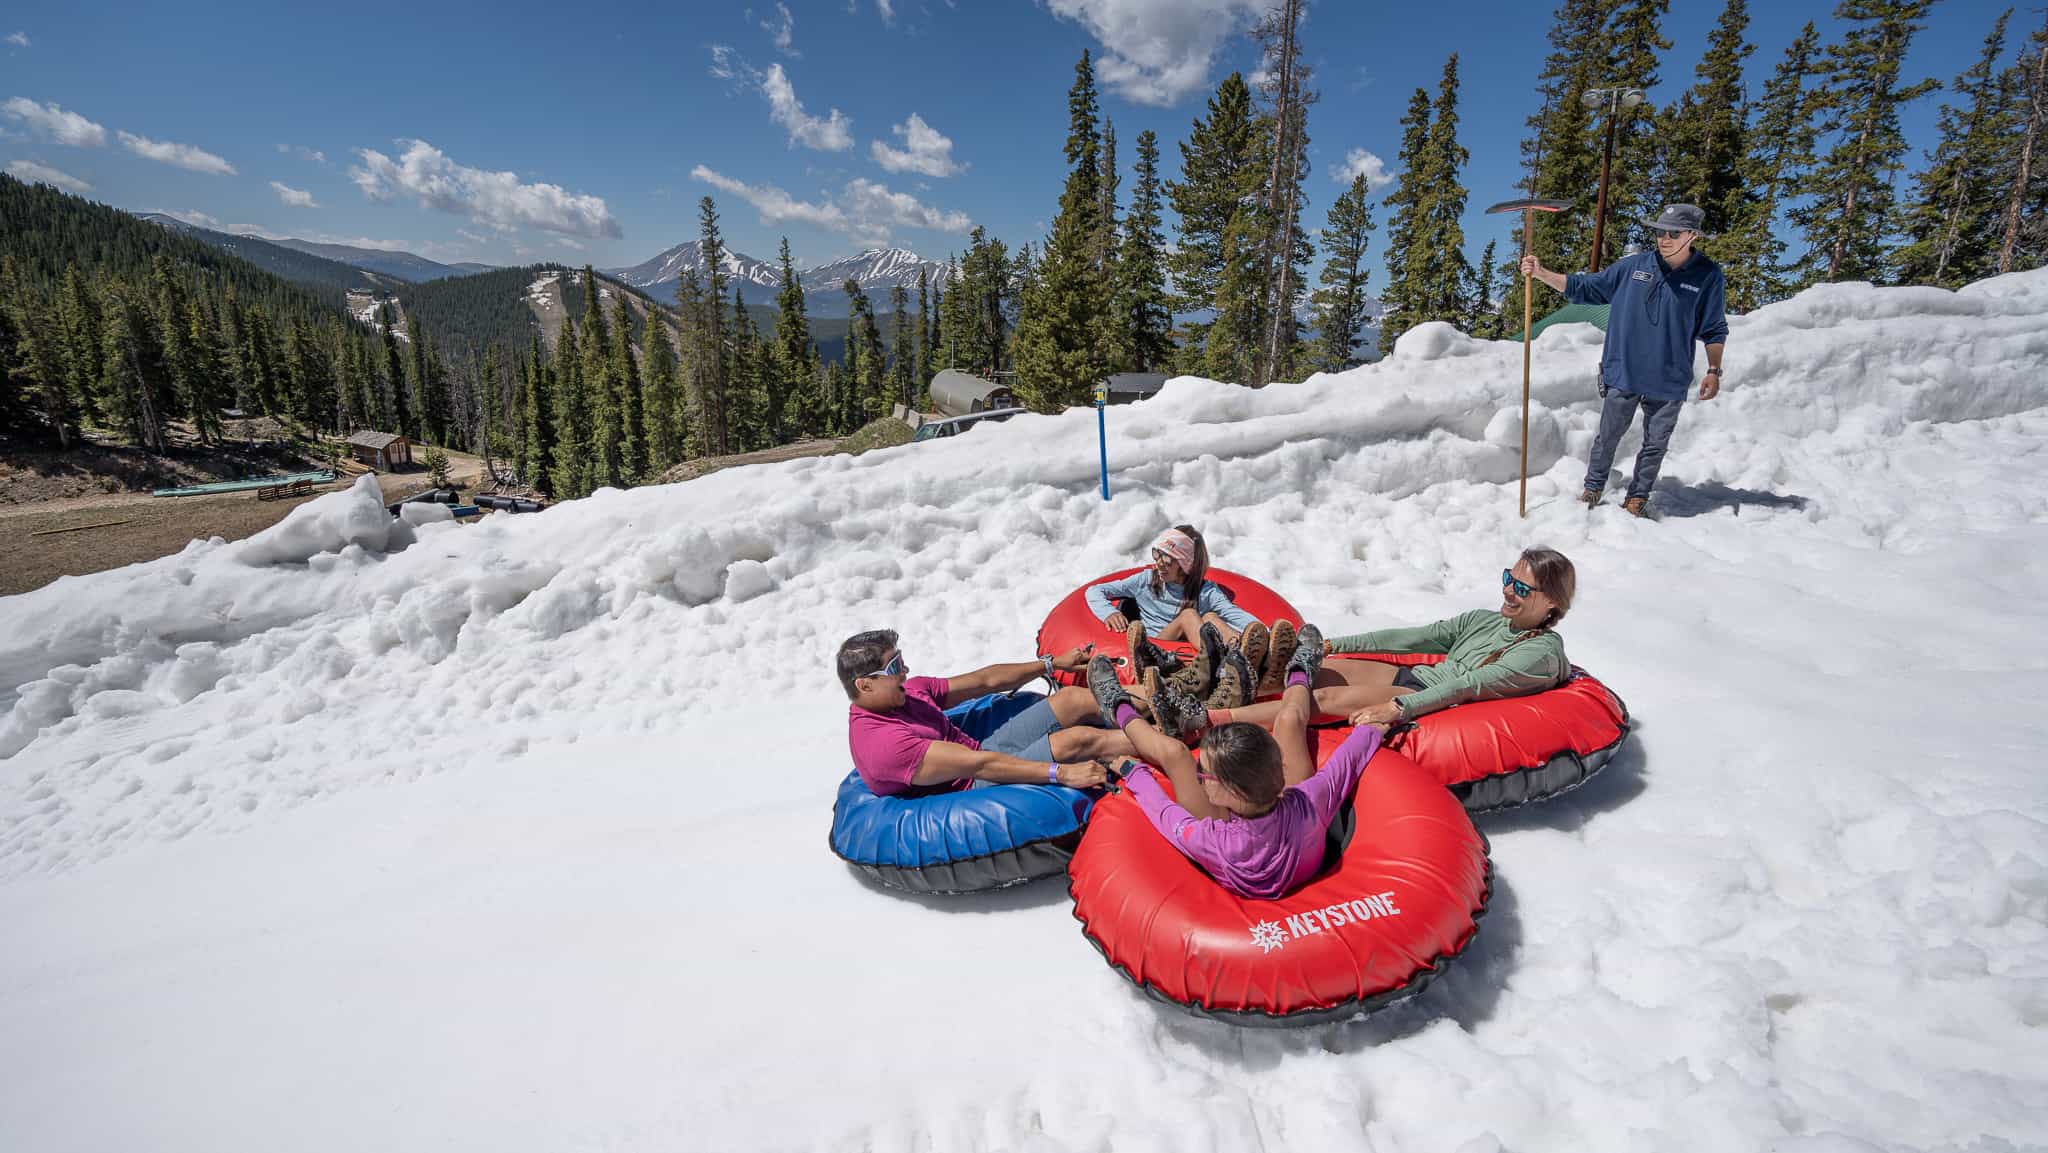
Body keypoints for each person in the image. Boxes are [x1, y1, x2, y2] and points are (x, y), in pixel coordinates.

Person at [1084, 627, 1388, 901]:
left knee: (1175, 753)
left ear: (1230, 791)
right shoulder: (1310, 801)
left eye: (1203, 773)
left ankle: (1118, 707)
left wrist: (1133, 772)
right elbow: (1347, 762)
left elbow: (1165, 813)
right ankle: (1298, 671)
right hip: (1287, 826)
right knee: (1290, 718)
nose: (1199, 777)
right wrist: (1373, 727)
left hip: (1246, 841)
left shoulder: (1211, 840)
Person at [1212, 548, 1576, 730]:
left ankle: (1211, 721)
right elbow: (1414, 637)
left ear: (1552, 602)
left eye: (1521, 588)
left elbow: (1470, 684)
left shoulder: (1540, 652)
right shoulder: (1486, 620)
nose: (1509, 593)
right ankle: (1214, 689)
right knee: (1307, 670)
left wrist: (1397, 709)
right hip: (1418, 677)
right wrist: (1337, 645)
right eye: (1507, 581)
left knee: (1320, 698)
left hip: (1429, 701)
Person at [1521, 203, 1729, 518]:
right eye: (1660, 231)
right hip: (1624, 369)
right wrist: (1540, 273)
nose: (1665, 238)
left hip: (1669, 377)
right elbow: (1585, 288)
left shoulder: (1708, 276)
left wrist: (1713, 370)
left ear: (1692, 235)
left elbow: (1713, 329)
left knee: (1655, 443)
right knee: (1608, 436)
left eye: (1674, 233)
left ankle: (1637, 498)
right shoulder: (1633, 267)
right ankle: (1593, 488)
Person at [839, 629, 1130, 797]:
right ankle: (1163, 739)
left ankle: (1160, 702)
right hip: (970, 787)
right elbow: (978, 765)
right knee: (1076, 740)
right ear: (865, 685)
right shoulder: (885, 743)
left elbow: (984, 681)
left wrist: (1052, 664)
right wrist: (1062, 773)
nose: (905, 670)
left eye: (900, 660)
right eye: (894, 668)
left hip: (982, 751)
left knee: (1072, 700)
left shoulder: (910, 692)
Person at [1085, 524, 1298, 704]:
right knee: (1189, 616)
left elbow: (1233, 613)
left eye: (1168, 560)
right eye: (1157, 555)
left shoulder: (1205, 591)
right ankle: (1228, 662)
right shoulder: (1146, 580)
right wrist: (1109, 613)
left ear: (1185, 564)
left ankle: (1247, 658)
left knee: (1211, 618)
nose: (1159, 563)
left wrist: (1268, 634)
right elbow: (1095, 590)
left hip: (1190, 651)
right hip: (1157, 647)